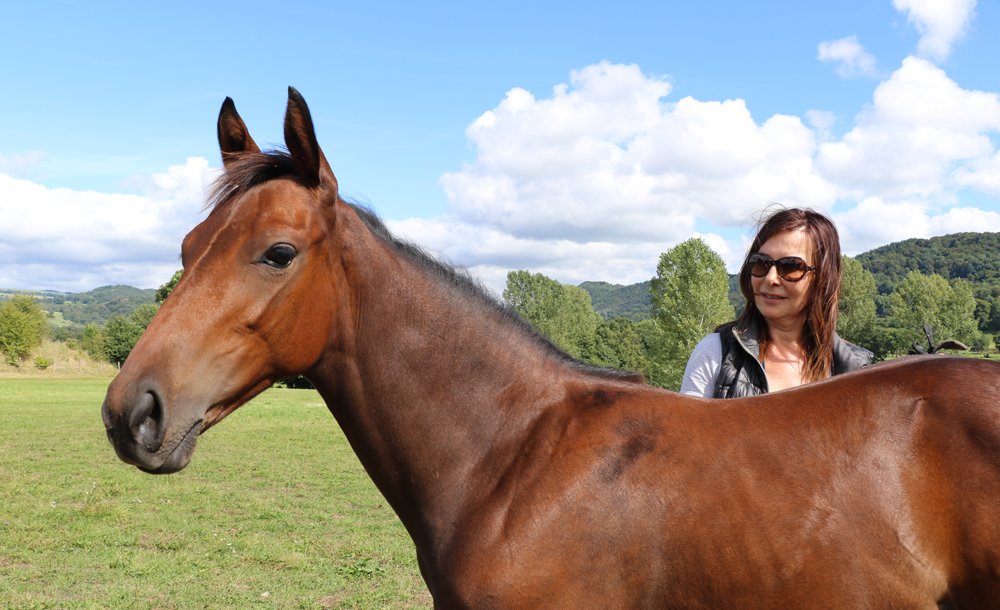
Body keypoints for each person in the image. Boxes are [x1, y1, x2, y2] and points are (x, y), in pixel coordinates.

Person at [680, 207, 872, 398]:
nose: (770, 278)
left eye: (790, 266)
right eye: (760, 262)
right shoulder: (715, 353)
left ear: (823, 278)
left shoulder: (854, 369)